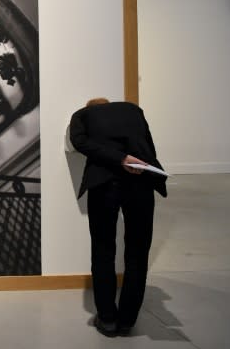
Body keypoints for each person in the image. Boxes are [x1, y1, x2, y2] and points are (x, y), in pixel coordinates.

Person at [69, 97, 166, 336]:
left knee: (103, 249)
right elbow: (148, 145)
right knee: (138, 249)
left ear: (89, 107)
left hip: (104, 182)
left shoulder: (81, 115)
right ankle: (127, 320)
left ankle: (108, 319)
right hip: (141, 179)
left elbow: (78, 142)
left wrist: (119, 159)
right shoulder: (133, 109)